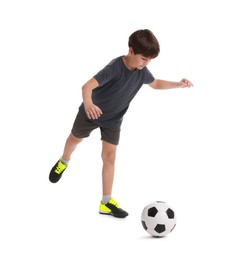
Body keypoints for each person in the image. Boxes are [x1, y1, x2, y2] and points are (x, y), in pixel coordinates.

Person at [49, 29, 193, 218]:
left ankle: (106, 202)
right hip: (91, 113)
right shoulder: (115, 68)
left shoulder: (142, 71)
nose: (146, 63)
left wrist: (177, 84)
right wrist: (89, 103)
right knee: (74, 140)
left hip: (113, 119)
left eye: (149, 60)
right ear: (131, 51)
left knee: (109, 157)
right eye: (143, 58)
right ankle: (64, 161)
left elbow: (156, 83)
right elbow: (87, 86)